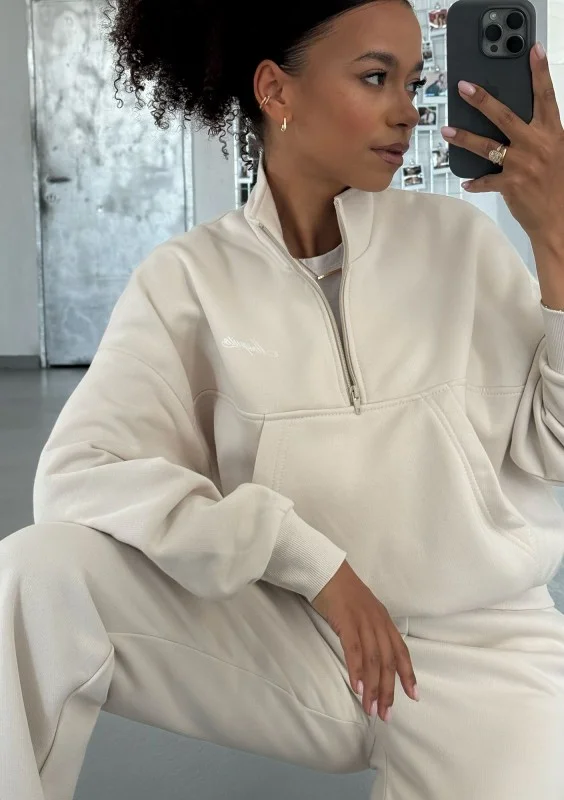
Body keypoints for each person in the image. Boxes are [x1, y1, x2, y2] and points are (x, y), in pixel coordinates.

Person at [2, 1, 564, 798]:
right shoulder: (188, 281)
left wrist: (556, 240)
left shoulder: (461, 244)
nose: (406, 111)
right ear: (276, 90)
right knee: (33, 574)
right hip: (299, 638)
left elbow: (553, 445)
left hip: (485, 656)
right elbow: (77, 475)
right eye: (376, 77)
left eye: (413, 82)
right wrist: (313, 565)